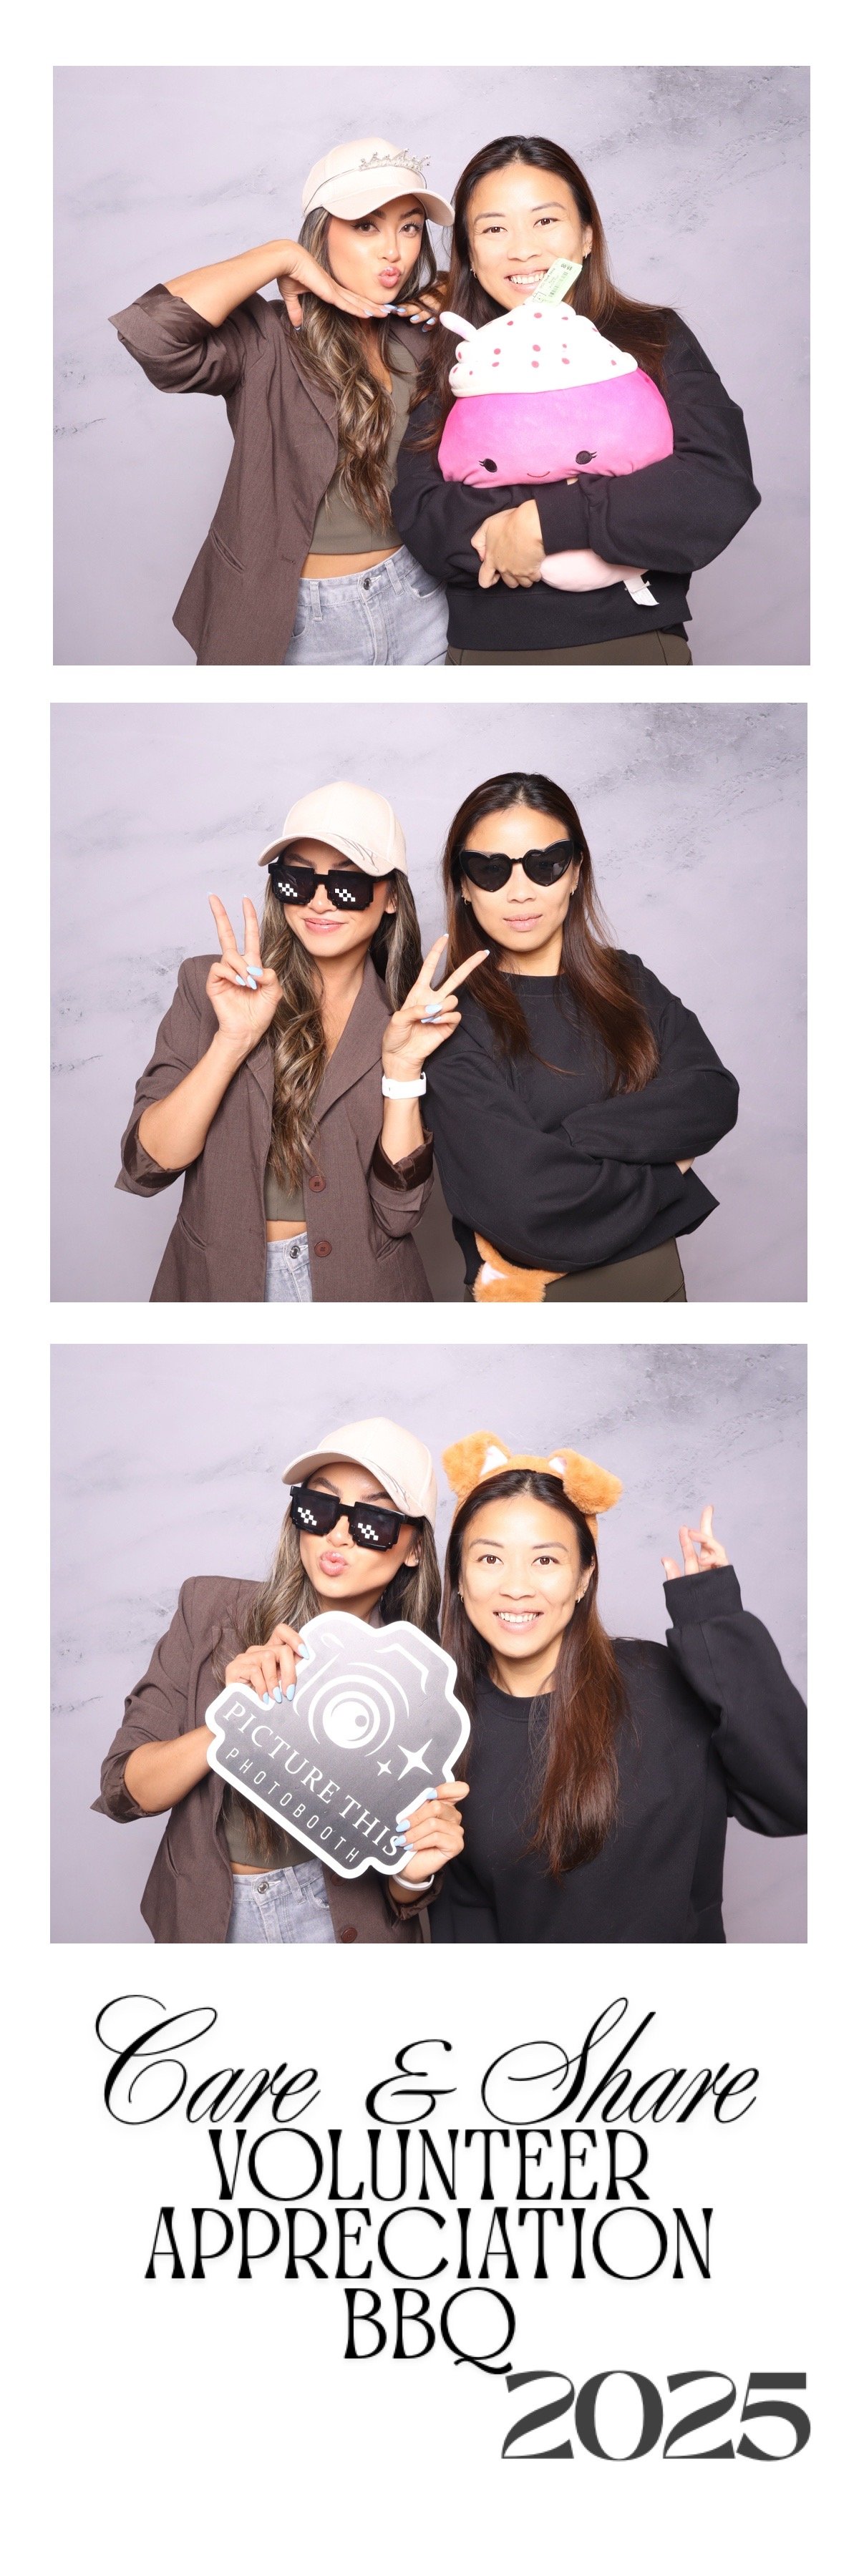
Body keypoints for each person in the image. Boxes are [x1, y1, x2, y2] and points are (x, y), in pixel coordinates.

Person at [94, 1419, 467, 1943]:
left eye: (374, 1520)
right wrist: (234, 1718)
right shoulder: (209, 1612)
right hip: (210, 1921)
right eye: (320, 1507)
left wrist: (413, 1872)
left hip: (342, 1927)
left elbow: (405, 1888)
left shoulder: (425, 1687)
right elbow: (125, 1791)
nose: (338, 1535)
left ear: (414, 1549)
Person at [394, 134, 759, 665]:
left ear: (587, 236)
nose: (523, 249)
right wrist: (592, 508)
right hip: (483, 653)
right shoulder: (455, 355)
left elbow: (713, 486)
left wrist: (544, 523)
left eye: (545, 220)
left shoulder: (652, 336)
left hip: (635, 644)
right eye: (494, 229)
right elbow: (424, 516)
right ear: (469, 253)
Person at [431, 1433, 806, 1943]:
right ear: (458, 1576)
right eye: (490, 1559)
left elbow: (796, 1797)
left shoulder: (663, 1682)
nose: (516, 1587)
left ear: (584, 1577)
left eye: (546, 1560)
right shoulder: (444, 1732)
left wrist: (717, 1626)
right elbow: (466, 1926)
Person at [117, 781, 482, 1302]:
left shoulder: (412, 1022)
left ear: (391, 898)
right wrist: (231, 1041)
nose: (319, 901)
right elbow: (147, 1166)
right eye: (297, 879)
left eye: (349, 883)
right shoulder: (209, 987)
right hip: (217, 1284)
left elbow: (399, 1215)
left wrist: (402, 1073)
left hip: (362, 1291)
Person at [109, 137, 452, 665]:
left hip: (422, 598)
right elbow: (153, 337)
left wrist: (452, 288)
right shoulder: (268, 334)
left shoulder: (420, 331)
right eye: (366, 226)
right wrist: (278, 256)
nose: (394, 251)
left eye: (409, 227)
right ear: (322, 232)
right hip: (301, 620)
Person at [423, 769, 739, 1302]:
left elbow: (711, 1095)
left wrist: (570, 1141)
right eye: (491, 869)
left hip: (663, 1295)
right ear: (463, 887)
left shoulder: (628, 980)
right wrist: (668, 1171)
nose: (521, 893)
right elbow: (527, 1209)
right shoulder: (447, 1023)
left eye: (545, 865)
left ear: (575, 873)